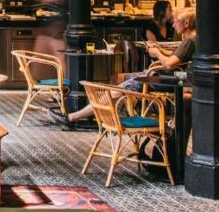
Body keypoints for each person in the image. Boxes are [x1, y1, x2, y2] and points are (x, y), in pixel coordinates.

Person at [64, 8, 198, 125]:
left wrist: (157, 53)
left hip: (164, 77)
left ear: (186, 23)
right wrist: (160, 50)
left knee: (117, 89)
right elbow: (179, 56)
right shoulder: (194, 38)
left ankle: (74, 117)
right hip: (164, 76)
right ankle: (85, 115)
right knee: (118, 85)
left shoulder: (189, 41)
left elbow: (169, 64)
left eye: (176, 21)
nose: (173, 24)